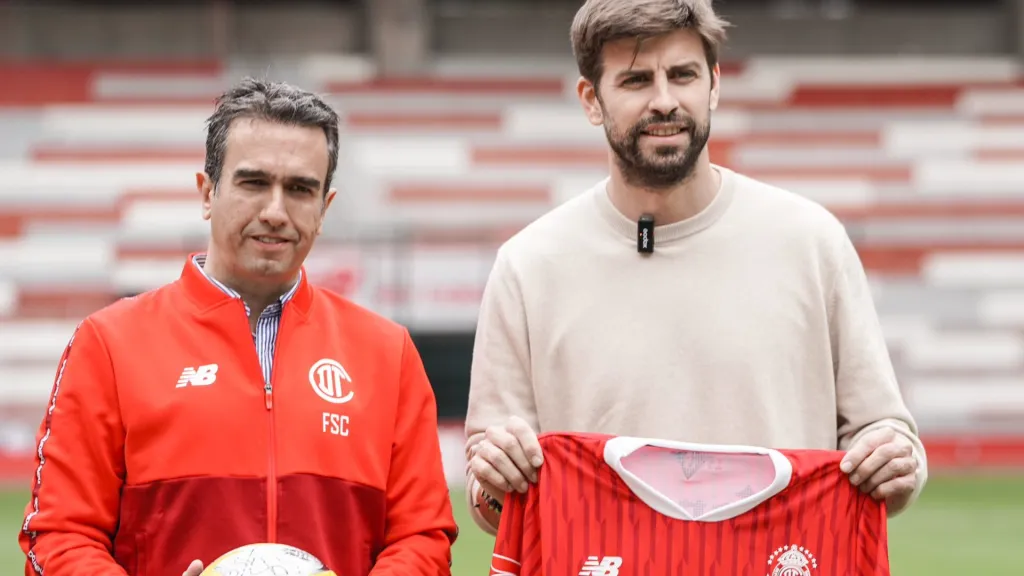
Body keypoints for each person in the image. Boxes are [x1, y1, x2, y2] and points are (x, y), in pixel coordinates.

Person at [463, 0, 927, 536]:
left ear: (714, 84)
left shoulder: (811, 241)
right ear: (592, 100)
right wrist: (494, 482)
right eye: (636, 80)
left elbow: (885, 436)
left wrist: (893, 461)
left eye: (682, 75)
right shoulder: (528, 266)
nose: (665, 101)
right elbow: (490, 495)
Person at [19, 77, 458, 576]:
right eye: (253, 183)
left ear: (323, 209)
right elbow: (58, 534)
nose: (275, 211)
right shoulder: (110, 344)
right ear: (208, 193)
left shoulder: (387, 353)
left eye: (299, 189)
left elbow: (422, 536)